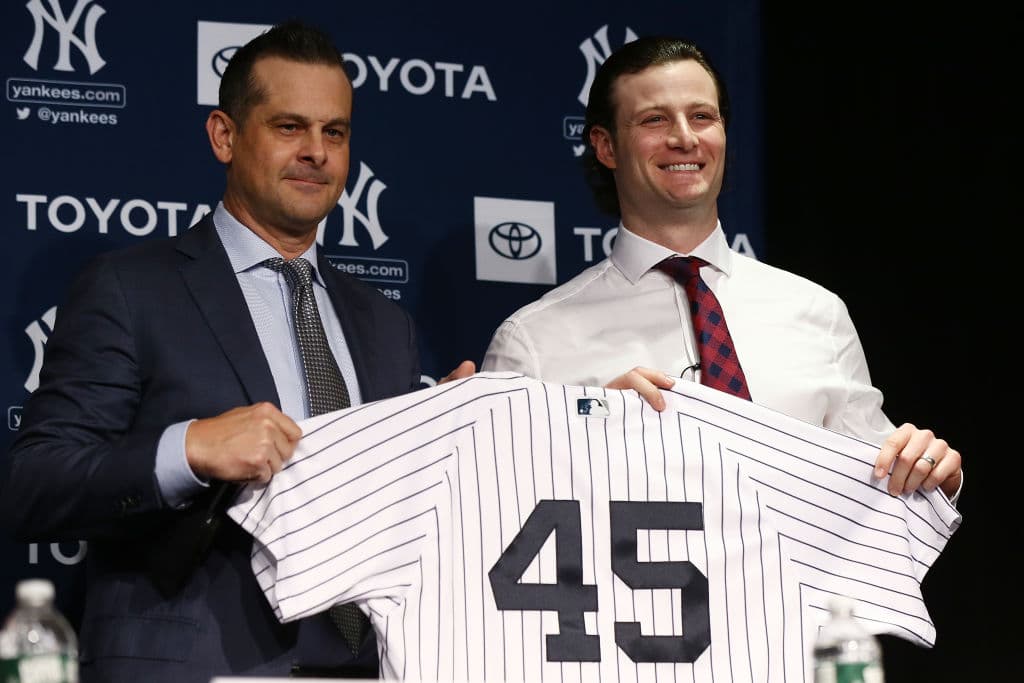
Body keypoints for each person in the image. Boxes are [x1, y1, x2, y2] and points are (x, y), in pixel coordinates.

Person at [0, 21, 472, 683]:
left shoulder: (385, 323)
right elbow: (35, 485)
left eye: (333, 132)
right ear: (225, 135)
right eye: (289, 127)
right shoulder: (132, 287)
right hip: (194, 666)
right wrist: (188, 448)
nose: (316, 152)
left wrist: (444, 437)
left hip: (369, 666)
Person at [482, 36, 962, 501]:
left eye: (702, 117)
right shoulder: (533, 342)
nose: (684, 138)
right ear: (606, 147)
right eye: (654, 119)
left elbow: (876, 483)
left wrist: (928, 475)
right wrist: (582, 431)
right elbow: (495, 514)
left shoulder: (817, 312)